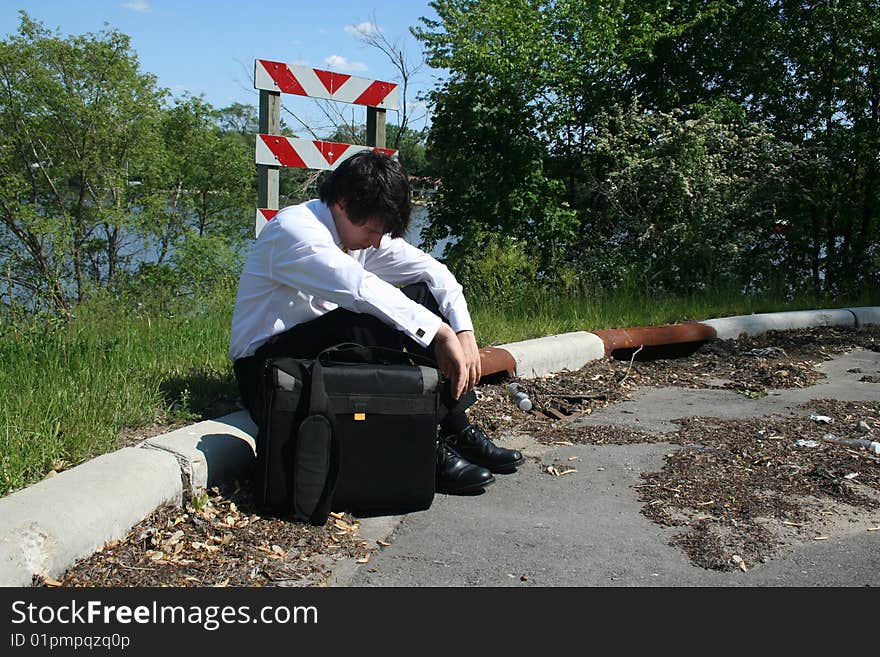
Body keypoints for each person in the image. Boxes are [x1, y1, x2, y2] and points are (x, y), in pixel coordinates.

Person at [229, 151, 524, 496]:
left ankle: (455, 427)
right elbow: (359, 289)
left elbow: (434, 273)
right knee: (367, 324)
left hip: (323, 354)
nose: (374, 241)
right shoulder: (294, 231)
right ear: (341, 202)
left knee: (422, 295)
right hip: (267, 370)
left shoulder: (359, 230)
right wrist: (440, 333)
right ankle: (420, 445)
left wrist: (463, 332)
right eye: (371, 230)